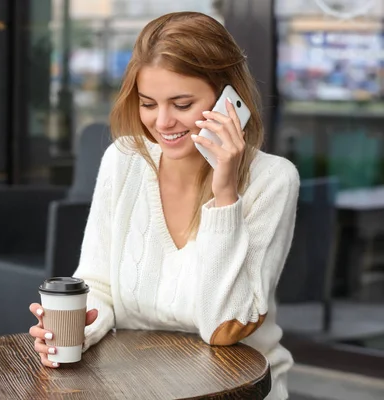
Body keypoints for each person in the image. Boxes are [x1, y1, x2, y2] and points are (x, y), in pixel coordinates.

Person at [29, 11, 299, 400]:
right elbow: (99, 286)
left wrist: (225, 194)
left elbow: (222, 328)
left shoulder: (273, 180)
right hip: (132, 382)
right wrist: (80, 331)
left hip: (234, 390)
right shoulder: (124, 160)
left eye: (182, 103)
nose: (163, 122)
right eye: (148, 103)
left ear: (229, 100)